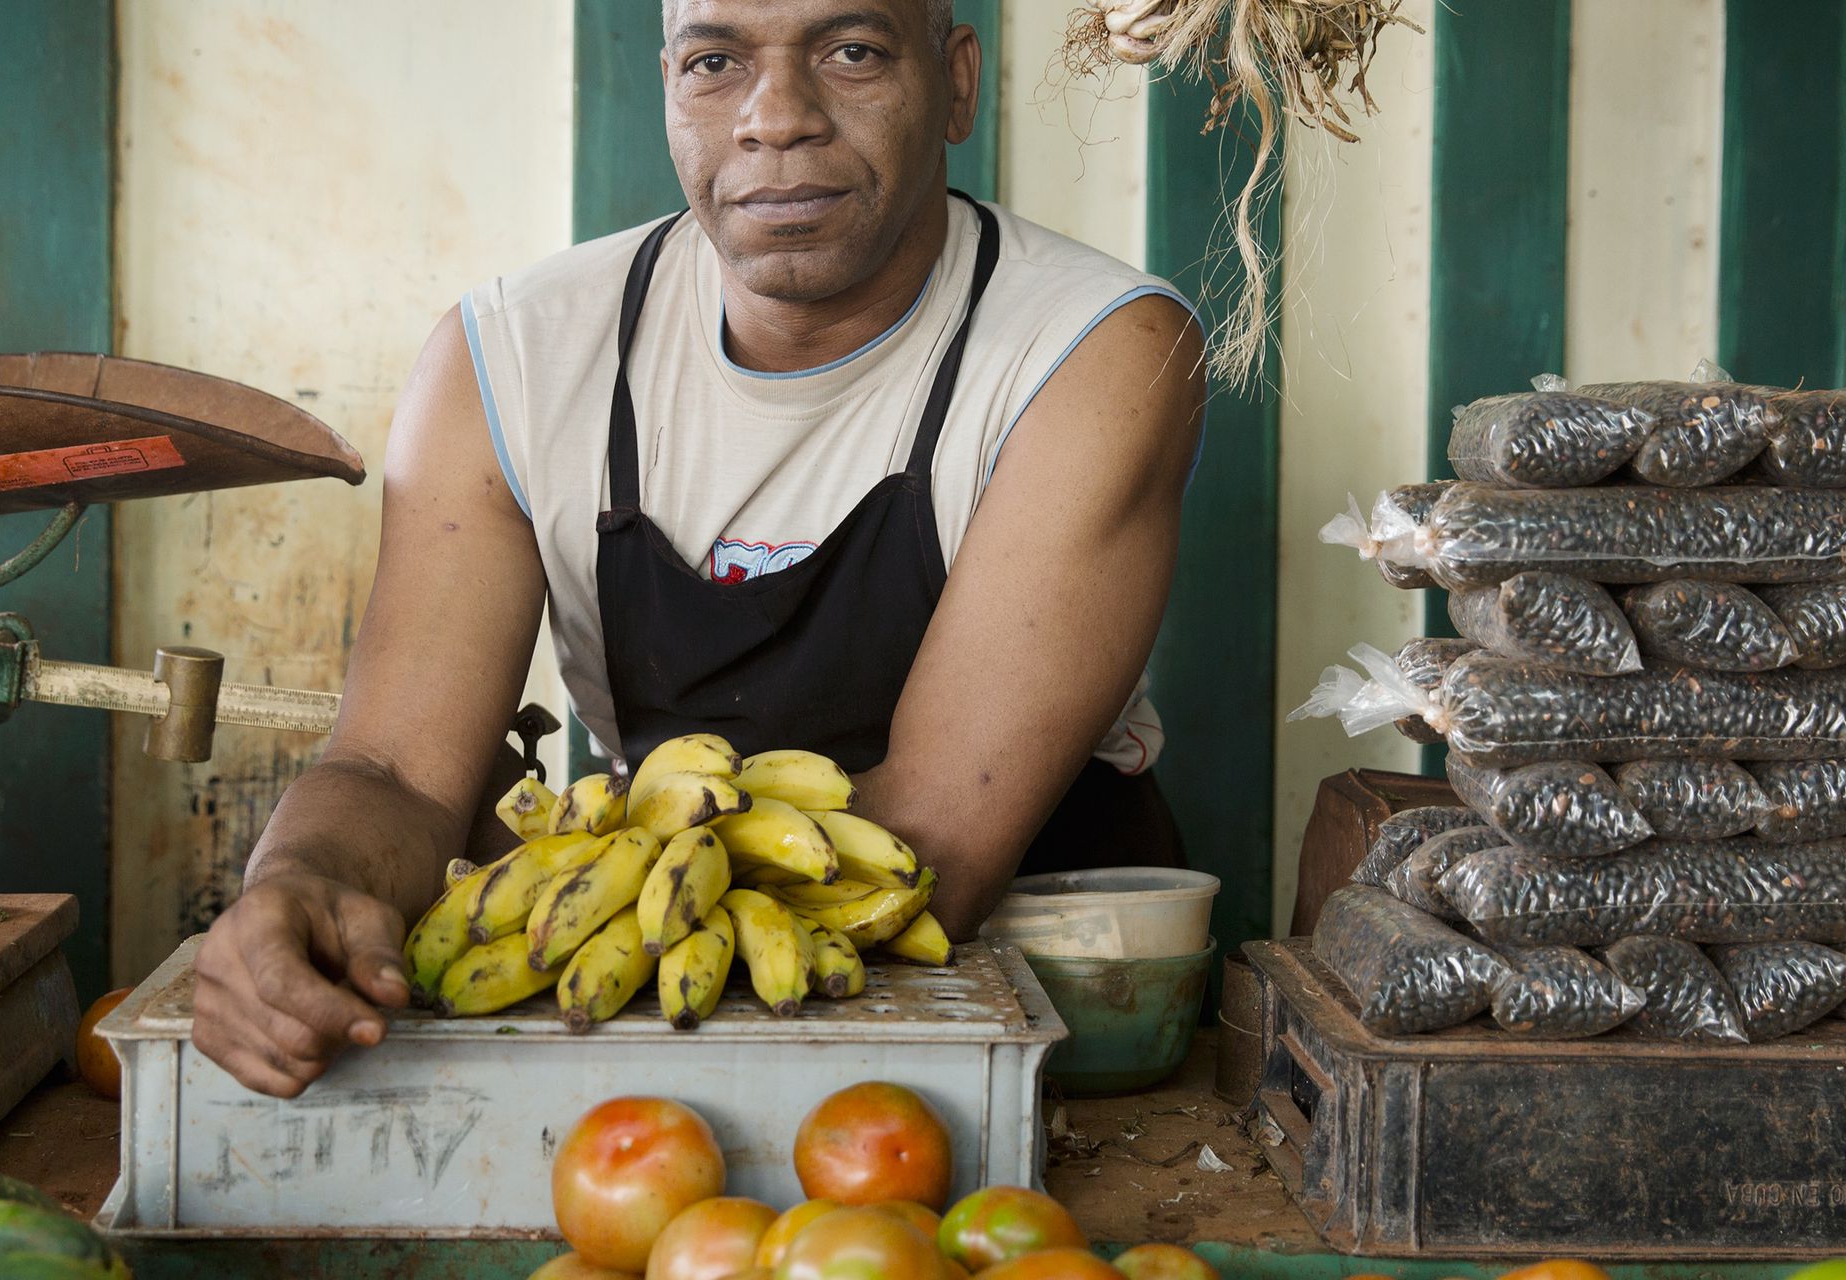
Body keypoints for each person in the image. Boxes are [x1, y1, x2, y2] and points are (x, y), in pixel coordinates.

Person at [193, 0, 1208, 1097]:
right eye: (717, 62)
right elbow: (393, 766)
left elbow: (926, 849)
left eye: (851, 52)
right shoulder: (515, 357)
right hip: (667, 986)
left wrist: (559, 909)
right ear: (670, 90)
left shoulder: (1092, 350)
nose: (777, 118)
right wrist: (300, 881)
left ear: (956, 81)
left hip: (1054, 1013)